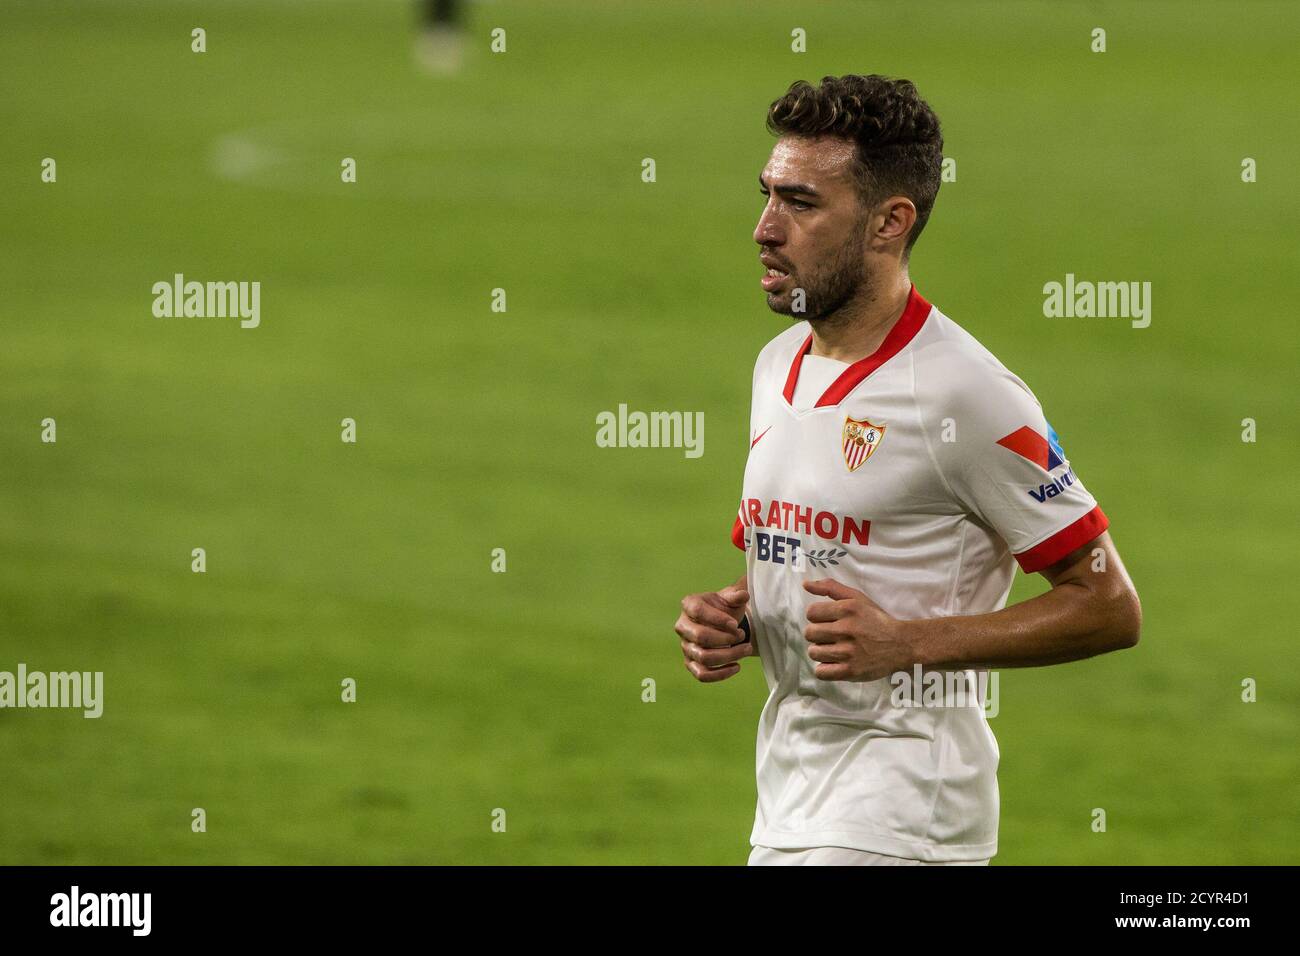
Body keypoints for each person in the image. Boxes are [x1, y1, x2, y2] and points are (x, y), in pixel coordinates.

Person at [674, 75, 1141, 866]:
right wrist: (742, 618)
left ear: (891, 222)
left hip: (902, 812)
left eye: (802, 203)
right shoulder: (778, 363)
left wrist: (908, 642)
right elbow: (811, 557)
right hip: (791, 802)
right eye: (766, 196)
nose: (764, 228)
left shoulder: (968, 392)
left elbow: (1108, 606)